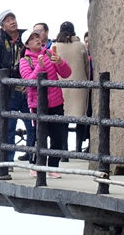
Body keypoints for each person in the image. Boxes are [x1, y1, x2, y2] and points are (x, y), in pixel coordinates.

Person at [19, 33, 71, 176]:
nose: (36, 40)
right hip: (38, 104)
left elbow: (66, 74)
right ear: (26, 45)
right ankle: (36, 165)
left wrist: (61, 62)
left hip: (56, 102)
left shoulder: (49, 53)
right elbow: (29, 82)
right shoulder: (25, 61)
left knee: (57, 136)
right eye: (32, 39)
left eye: (37, 37)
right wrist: (39, 68)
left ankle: (53, 167)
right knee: (40, 136)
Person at [0, 10, 31, 162]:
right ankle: (7, 162)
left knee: (33, 125)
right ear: (3, 27)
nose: (12, 22)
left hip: (28, 90)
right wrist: (4, 81)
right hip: (10, 93)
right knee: (9, 128)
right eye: (8, 20)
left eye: (13, 18)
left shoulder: (27, 39)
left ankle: (34, 159)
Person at [51, 21, 91, 154]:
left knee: (64, 119)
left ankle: (64, 151)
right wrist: (88, 82)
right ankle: (78, 148)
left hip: (61, 86)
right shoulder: (80, 45)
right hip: (79, 86)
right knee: (80, 117)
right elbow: (87, 66)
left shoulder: (55, 46)